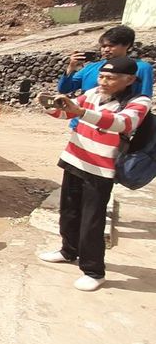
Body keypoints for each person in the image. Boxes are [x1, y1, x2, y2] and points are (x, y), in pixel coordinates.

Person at [38, 57, 151, 291]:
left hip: (101, 169)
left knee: (92, 220)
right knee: (69, 211)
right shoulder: (92, 94)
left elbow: (121, 124)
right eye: (101, 76)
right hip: (74, 159)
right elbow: (66, 114)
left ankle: (94, 270)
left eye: (111, 78)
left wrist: (80, 111)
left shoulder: (139, 102)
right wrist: (51, 106)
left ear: (129, 80)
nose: (104, 82)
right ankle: (68, 250)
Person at [58, 25, 153, 129]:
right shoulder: (91, 68)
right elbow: (64, 89)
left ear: (127, 45)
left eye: (111, 46)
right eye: (103, 46)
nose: (106, 50)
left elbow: (143, 99)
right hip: (82, 122)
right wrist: (71, 68)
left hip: (113, 125)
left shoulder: (141, 68)